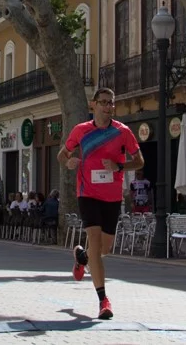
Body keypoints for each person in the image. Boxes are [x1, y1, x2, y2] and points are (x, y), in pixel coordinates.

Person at [57, 87, 144, 320]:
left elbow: (139, 161)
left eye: (110, 103)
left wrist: (119, 167)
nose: (107, 107)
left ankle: (82, 257)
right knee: (94, 239)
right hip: (87, 193)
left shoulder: (123, 132)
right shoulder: (81, 131)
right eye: (103, 102)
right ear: (93, 105)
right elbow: (61, 154)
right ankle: (103, 301)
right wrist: (69, 162)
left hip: (112, 197)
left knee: (103, 250)